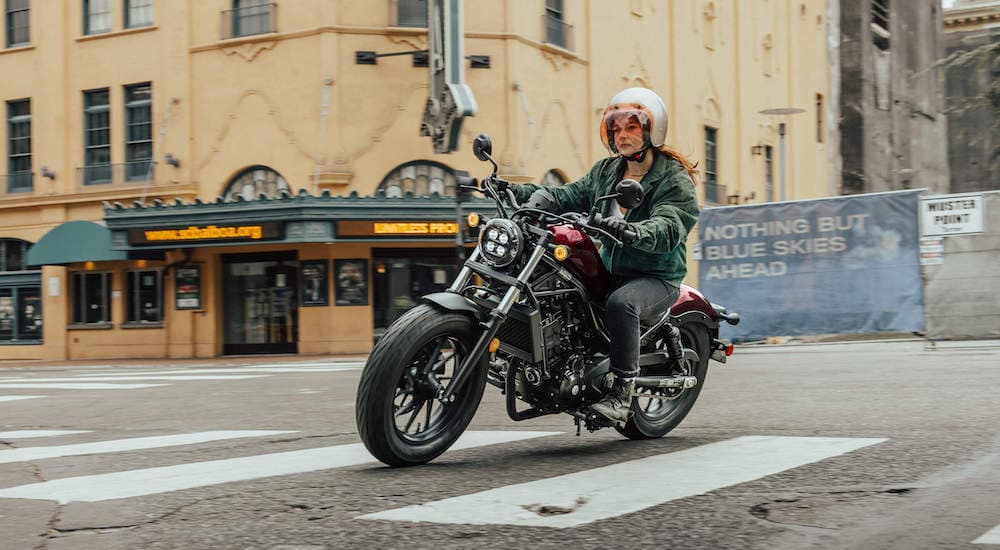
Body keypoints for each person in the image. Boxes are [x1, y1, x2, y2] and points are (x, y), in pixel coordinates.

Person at [512, 87, 700, 423]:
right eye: (617, 129)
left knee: (621, 303)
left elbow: (669, 226)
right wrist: (520, 192)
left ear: (651, 131)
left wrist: (631, 230)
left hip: (654, 277)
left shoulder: (674, 180)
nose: (623, 136)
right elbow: (566, 194)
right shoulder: (607, 172)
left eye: (631, 128)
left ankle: (621, 394)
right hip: (612, 268)